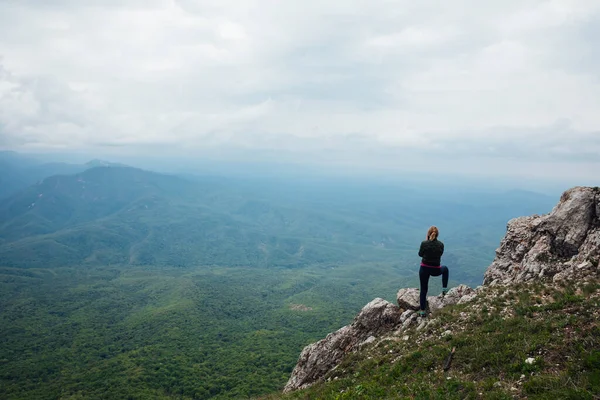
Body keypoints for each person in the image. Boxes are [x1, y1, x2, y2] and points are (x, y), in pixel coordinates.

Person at [418, 226, 449, 317]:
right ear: (437, 235)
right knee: (445, 269)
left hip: (424, 269)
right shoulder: (441, 245)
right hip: (435, 269)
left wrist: (426, 240)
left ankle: (422, 312)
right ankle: (444, 290)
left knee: (423, 290)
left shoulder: (424, 243)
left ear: (428, 234)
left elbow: (420, 254)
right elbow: (440, 254)